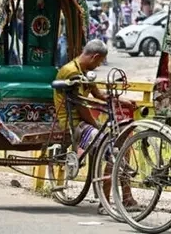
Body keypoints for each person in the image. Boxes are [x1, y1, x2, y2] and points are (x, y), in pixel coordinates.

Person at [53, 40, 138, 213]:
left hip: (86, 120)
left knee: (124, 146)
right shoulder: (71, 72)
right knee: (111, 149)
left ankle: (127, 197)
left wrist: (122, 101)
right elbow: (81, 106)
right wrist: (97, 126)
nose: (99, 65)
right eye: (99, 62)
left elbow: (98, 94)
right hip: (74, 122)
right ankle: (104, 201)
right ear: (95, 57)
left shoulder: (85, 72)